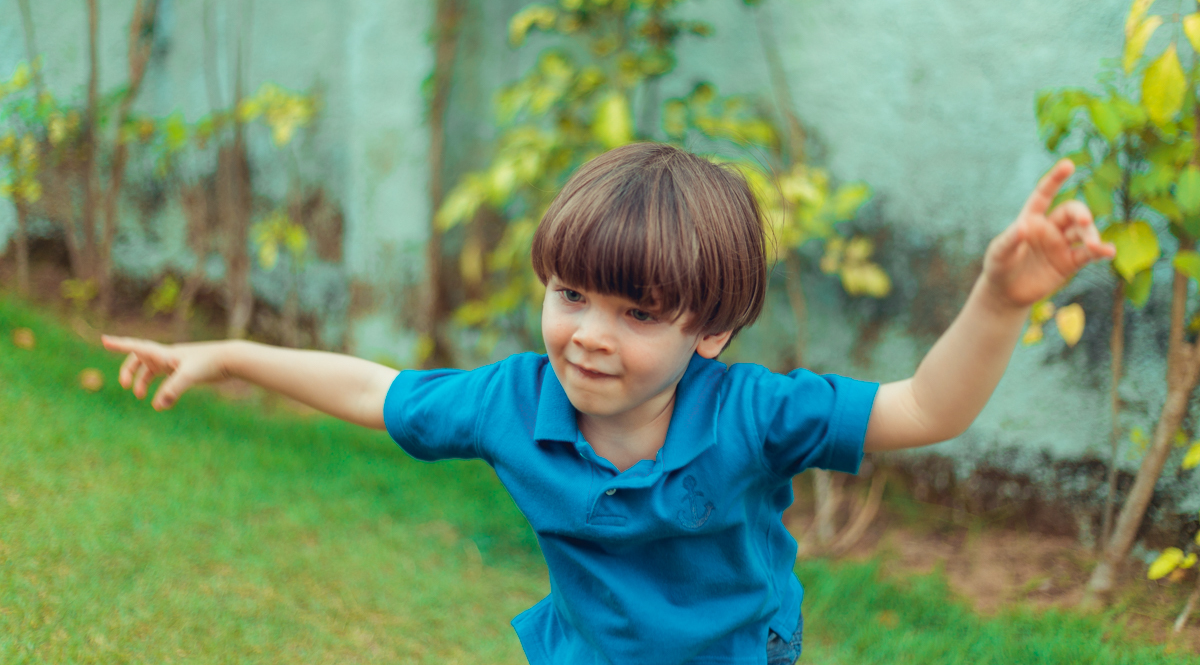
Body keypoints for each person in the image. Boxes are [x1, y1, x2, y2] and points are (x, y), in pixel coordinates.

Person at [102, 142, 1114, 665]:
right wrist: (226, 353)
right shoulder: (511, 401)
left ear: (708, 331)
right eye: (571, 294)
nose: (588, 332)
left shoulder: (755, 413)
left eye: (637, 312)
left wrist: (998, 299)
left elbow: (925, 408)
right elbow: (374, 389)